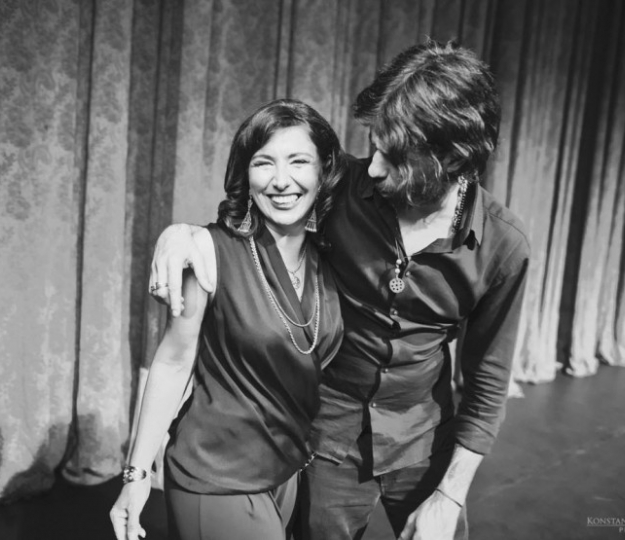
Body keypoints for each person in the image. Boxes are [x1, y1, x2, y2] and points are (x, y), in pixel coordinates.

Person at [149, 40, 530, 540]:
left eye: (394, 157)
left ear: (449, 160)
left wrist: (449, 495)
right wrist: (183, 234)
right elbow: (258, 211)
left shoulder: (503, 246)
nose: (373, 167)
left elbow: (487, 384)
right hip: (329, 439)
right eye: (374, 146)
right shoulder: (343, 187)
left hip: (424, 440)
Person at [110, 99, 345, 540]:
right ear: (245, 174)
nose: (281, 180)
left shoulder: (327, 259)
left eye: (298, 161)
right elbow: (173, 362)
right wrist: (136, 475)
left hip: (286, 471)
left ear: (323, 171)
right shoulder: (208, 252)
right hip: (216, 474)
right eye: (263, 163)